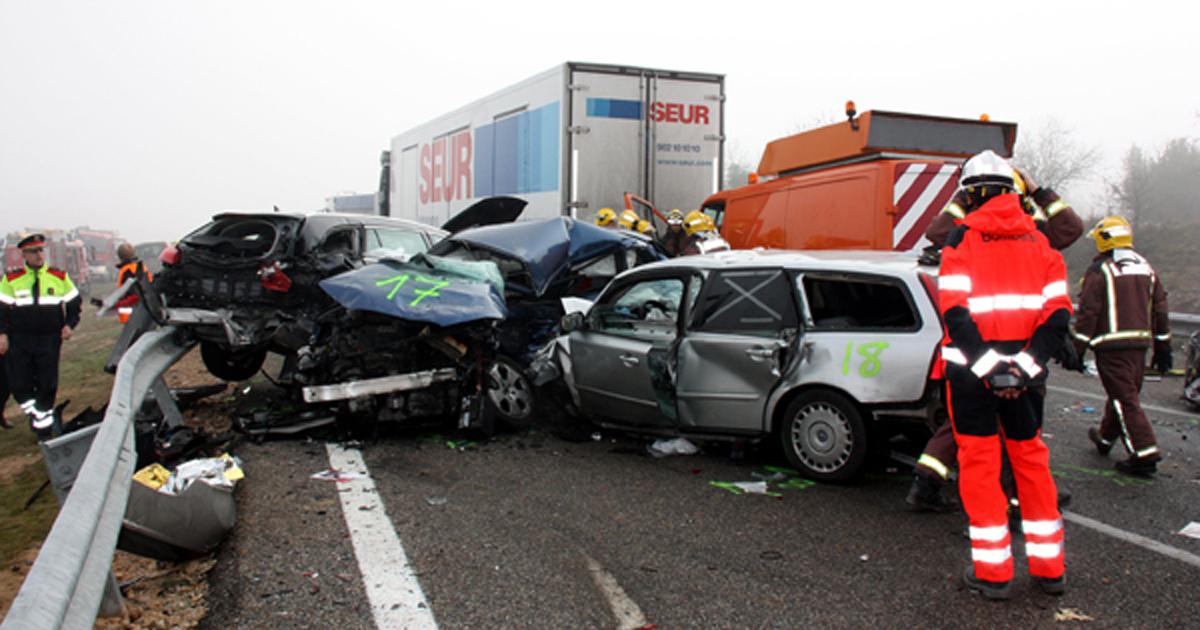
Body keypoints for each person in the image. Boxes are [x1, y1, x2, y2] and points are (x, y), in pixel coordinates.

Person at [908, 161, 1083, 512]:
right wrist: (1033, 190)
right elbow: (1069, 232)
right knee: (1014, 434)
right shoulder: (1029, 235)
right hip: (1017, 352)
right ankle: (1021, 498)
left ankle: (947, 489)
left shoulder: (1022, 233)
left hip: (976, 355)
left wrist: (970, 193)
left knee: (975, 433)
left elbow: (939, 234)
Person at [937, 150, 1071, 599]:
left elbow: (954, 314)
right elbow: (1057, 318)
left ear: (971, 195)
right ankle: (1050, 570)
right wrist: (1023, 369)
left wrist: (992, 370)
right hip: (1026, 378)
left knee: (980, 466)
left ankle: (994, 575)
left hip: (973, 377)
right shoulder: (1042, 245)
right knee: (1031, 462)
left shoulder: (961, 242)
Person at [1072, 216, 1170, 476]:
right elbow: (1160, 308)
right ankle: (1105, 438)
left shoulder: (1101, 270)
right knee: (1124, 394)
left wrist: (1077, 348)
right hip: (1139, 344)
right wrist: (1163, 346)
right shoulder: (1145, 267)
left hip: (1111, 346)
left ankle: (1144, 453)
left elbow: (1089, 312)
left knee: (1124, 398)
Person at [0, 233, 82, 438]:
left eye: (40, 251)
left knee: (47, 385)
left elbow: (74, 304)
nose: (38, 255)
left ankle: (43, 430)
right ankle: (38, 415)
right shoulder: (11, 279)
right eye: (33, 251)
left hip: (49, 339)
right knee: (20, 385)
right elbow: (1, 310)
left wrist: (69, 325)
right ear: (24, 255)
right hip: (20, 339)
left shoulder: (59, 277)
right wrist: (2, 334)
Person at [114, 242, 152, 324]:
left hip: (132, 315)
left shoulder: (126, 271)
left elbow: (133, 293)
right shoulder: (141, 267)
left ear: (120, 256)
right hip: (144, 311)